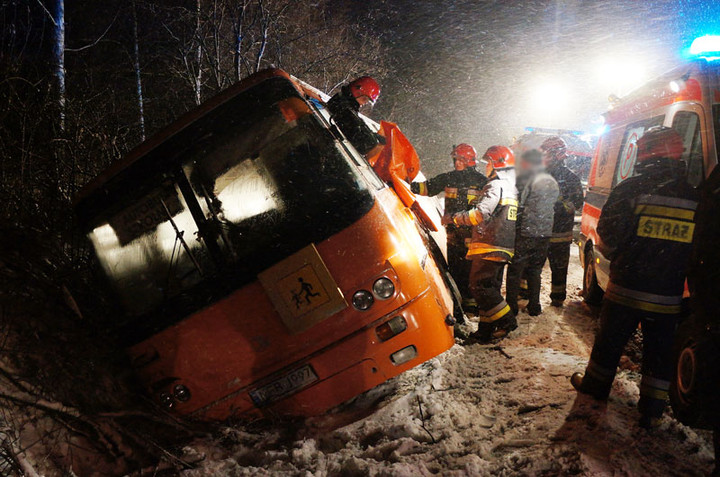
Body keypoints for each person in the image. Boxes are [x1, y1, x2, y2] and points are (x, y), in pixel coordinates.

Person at [570, 126, 698, 428]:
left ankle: (595, 388)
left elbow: (609, 236)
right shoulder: (696, 196)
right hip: (668, 294)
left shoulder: (631, 189)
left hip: (627, 288)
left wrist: (627, 256)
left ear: (646, 153)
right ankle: (652, 407)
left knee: (609, 344)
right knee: (659, 352)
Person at [412, 144, 488, 316]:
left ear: (469, 161)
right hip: (454, 234)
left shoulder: (482, 182)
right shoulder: (449, 178)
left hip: (472, 234)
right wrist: (407, 183)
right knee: (456, 268)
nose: (457, 163)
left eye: (460, 159)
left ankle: (472, 304)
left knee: (471, 270)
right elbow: (427, 188)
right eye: (455, 159)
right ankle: (461, 303)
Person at [452, 146, 518, 343]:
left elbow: (480, 214)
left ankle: (507, 321)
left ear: (498, 165)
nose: (486, 166)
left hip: (489, 245)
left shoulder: (494, 186)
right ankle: (485, 330)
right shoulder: (510, 187)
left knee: (479, 286)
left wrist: (455, 218)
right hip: (502, 246)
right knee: (490, 288)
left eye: (489, 162)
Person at [506, 149, 559, 316]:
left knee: (515, 270)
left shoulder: (530, 180)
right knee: (535, 270)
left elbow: (520, 204)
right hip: (544, 234)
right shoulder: (552, 181)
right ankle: (534, 305)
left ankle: (511, 305)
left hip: (526, 232)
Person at [540, 136, 584, 307]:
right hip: (540, 231)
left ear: (557, 154)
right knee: (532, 267)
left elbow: (577, 202)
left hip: (559, 232)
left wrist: (557, 206)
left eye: (547, 153)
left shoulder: (570, 178)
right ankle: (526, 295)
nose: (544, 157)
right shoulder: (539, 174)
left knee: (559, 269)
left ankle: (558, 297)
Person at [326, 76, 383, 156]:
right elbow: (363, 145)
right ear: (358, 92)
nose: (364, 103)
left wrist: (373, 134)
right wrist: (373, 140)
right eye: (364, 99)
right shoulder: (344, 109)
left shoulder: (342, 101)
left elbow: (357, 124)